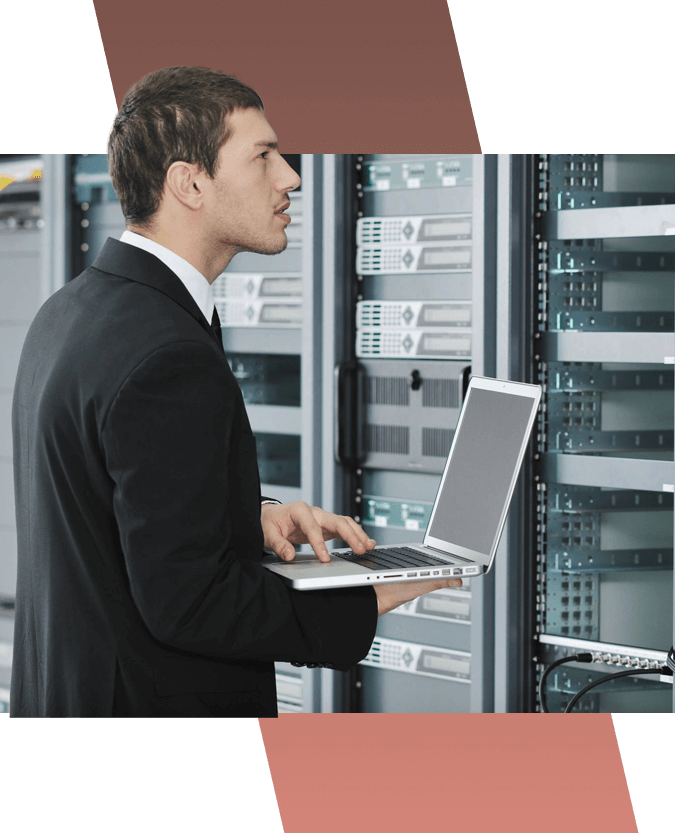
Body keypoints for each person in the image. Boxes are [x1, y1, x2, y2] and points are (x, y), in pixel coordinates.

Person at [10, 66, 461, 718]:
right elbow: (188, 603)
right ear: (189, 182)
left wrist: (244, 517)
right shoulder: (167, 353)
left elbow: (106, 516)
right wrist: (365, 594)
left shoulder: (71, 312)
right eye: (263, 156)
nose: (291, 177)